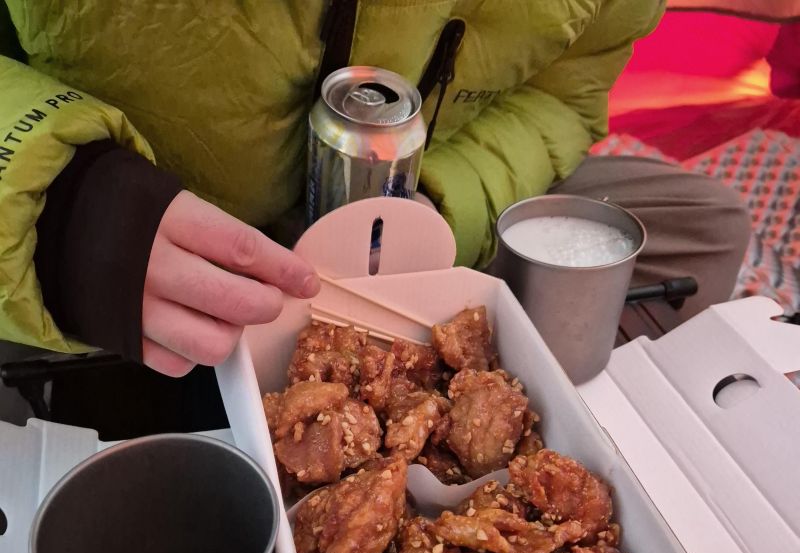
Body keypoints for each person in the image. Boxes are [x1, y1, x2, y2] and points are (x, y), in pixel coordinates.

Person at [0, 1, 749, 398]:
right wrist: (54, 209)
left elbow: (563, 97)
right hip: (113, 247)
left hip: (415, 221)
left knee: (706, 226)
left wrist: (442, 203)